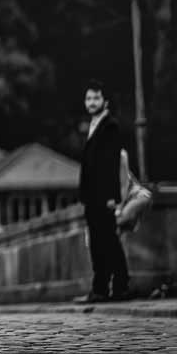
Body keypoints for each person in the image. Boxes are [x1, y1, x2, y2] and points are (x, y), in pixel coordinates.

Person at [73, 81, 130, 304]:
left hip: (103, 196)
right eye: (88, 98)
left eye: (96, 98)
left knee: (108, 242)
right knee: (99, 244)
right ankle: (103, 288)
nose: (91, 103)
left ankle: (118, 286)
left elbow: (110, 163)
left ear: (105, 102)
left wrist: (111, 197)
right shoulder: (93, 125)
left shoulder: (110, 126)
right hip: (93, 196)